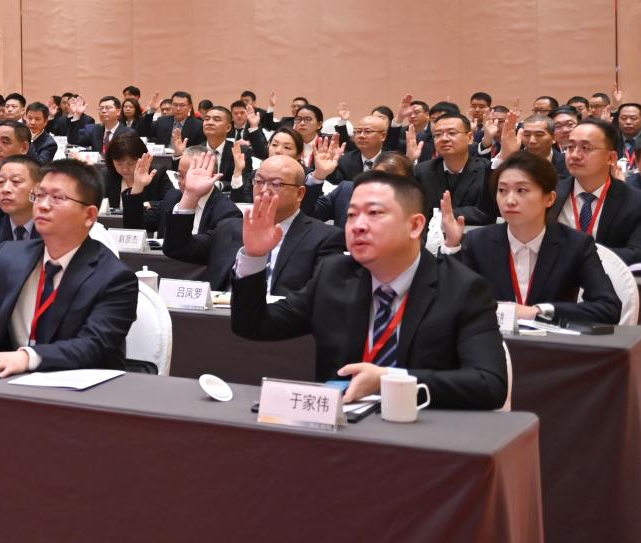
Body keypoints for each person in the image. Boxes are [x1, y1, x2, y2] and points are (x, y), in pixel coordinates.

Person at [229, 171, 509, 409]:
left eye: (374, 213)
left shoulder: (462, 288)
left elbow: (489, 384)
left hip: (420, 431)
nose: (358, 226)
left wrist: (390, 380)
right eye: (351, 215)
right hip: (340, 431)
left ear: (415, 226)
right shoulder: (334, 275)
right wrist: (254, 257)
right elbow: (253, 325)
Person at [0, 158, 138, 372]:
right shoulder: (11, 255)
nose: (43, 205)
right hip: (7, 383)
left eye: (57, 198)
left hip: (80, 386)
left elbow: (94, 346)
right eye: (39, 195)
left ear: (89, 215)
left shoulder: (114, 278)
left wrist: (28, 358)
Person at [441, 153, 621, 326]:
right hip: (493, 341)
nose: (510, 200)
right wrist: (452, 245)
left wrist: (537, 312)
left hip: (551, 343)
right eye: (502, 190)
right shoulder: (478, 241)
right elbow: (450, 303)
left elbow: (608, 308)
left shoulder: (575, 244)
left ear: (549, 198)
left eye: (522, 190)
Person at [164, 151, 341, 293]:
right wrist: (190, 196)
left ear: (300, 194)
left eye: (276, 184)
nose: (264, 190)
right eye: (259, 181)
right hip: (220, 319)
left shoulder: (324, 238)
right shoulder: (230, 227)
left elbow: (319, 297)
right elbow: (177, 248)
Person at [557, 118, 641, 264]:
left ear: (611, 158)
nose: (574, 155)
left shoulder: (640, 203)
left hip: (609, 276)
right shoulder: (549, 194)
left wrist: (579, 254)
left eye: (585, 148)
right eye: (570, 147)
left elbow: (638, 254)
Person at [415, 112, 496, 226]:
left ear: (469, 137)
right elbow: (418, 211)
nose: (444, 139)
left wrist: (444, 214)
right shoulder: (423, 171)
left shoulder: (486, 170)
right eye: (438, 134)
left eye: (452, 133)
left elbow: (486, 213)